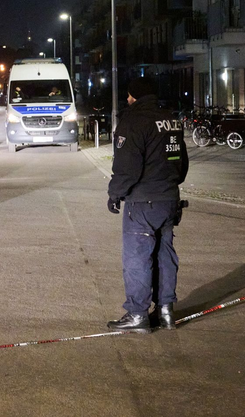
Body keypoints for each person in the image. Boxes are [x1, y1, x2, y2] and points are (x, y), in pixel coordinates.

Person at [106, 77, 189, 333]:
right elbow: (181, 162)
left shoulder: (133, 122)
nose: (128, 100)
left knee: (138, 258)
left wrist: (115, 193)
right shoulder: (171, 120)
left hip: (142, 202)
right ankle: (165, 311)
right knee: (164, 256)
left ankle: (137, 314)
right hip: (168, 200)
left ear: (134, 97)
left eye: (129, 96)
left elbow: (127, 168)